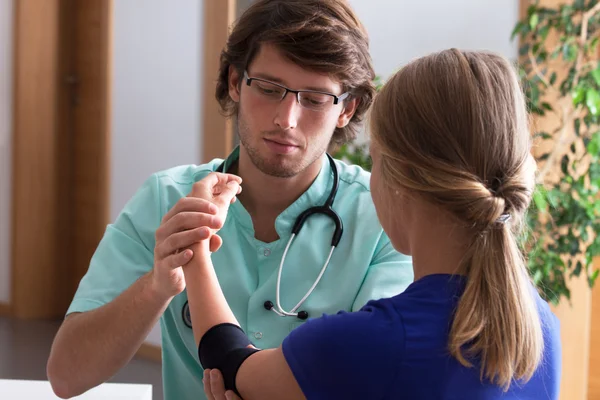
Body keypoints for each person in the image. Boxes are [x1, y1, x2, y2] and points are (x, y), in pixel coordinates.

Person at [46, 1, 413, 399]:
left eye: (314, 99)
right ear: (236, 82)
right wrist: (157, 285)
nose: (286, 119)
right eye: (270, 90)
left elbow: (380, 383)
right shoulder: (166, 199)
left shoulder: (382, 216)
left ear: (348, 108)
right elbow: (67, 375)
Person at [184, 48, 562, 400]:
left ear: (402, 181)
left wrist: (196, 247)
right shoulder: (539, 326)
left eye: (376, 161)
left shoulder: (372, 342)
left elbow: (232, 366)